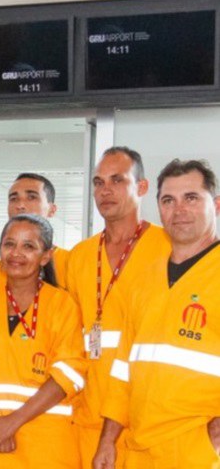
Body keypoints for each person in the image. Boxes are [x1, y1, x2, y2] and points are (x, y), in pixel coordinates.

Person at [95, 159, 220, 468]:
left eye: (191, 198)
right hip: (138, 450)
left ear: (216, 205)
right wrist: (108, 440)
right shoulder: (144, 280)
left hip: (198, 451)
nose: (179, 210)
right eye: (168, 200)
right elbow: (123, 368)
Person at [0, 214, 86, 467]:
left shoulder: (62, 305)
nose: (16, 253)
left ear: (46, 256)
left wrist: (11, 423)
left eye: (29, 246)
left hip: (44, 444)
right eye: (9, 244)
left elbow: (68, 375)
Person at [65, 147, 171, 468]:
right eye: (98, 182)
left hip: (144, 418)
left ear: (141, 187)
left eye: (117, 180)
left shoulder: (168, 247)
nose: (105, 190)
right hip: (87, 416)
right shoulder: (79, 255)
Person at [8, 172, 69, 287]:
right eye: (14, 198)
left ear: (52, 210)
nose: (20, 205)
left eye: (31, 197)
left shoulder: (71, 264)